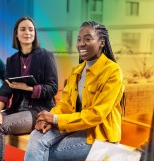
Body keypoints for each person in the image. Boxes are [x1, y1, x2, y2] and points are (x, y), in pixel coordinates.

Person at [24, 21, 124, 161]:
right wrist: (47, 118)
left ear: (101, 42)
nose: (81, 43)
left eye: (87, 39)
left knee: (42, 150)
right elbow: (65, 105)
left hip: (99, 136)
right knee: (36, 135)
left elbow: (96, 115)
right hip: (74, 125)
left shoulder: (112, 71)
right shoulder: (76, 71)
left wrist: (55, 119)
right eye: (79, 39)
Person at [0, 17, 58, 161]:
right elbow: (5, 89)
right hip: (17, 109)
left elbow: (53, 88)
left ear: (35, 33)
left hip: (38, 110)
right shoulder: (12, 60)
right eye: (23, 29)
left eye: (31, 29)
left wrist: (29, 88)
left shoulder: (45, 56)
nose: (28, 32)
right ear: (16, 34)